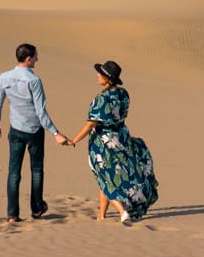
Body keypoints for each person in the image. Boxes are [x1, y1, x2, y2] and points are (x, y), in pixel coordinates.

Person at [67, 60, 159, 223]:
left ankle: (122, 212)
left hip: (104, 142)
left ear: (107, 78)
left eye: (100, 74)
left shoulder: (102, 98)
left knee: (104, 177)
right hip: (122, 138)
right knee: (105, 176)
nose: (97, 76)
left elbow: (91, 124)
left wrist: (74, 140)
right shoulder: (123, 94)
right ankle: (101, 215)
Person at [0, 43, 70, 222]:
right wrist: (55, 133)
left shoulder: (4, 77)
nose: (37, 59)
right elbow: (40, 111)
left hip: (15, 129)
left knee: (13, 172)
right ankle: (37, 208)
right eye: (35, 57)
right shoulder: (34, 81)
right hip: (34, 130)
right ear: (28, 59)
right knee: (36, 170)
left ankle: (12, 214)